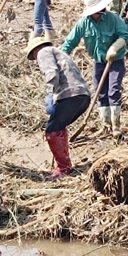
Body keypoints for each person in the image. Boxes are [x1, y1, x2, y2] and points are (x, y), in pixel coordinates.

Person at [62, 0, 128, 136]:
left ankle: (116, 126)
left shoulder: (113, 18)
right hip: (99, 61)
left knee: (113, 90)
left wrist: (114, 48)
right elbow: (70, 42)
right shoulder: (84, 23)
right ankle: (105, 125)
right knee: (100, 92)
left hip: (115, 61)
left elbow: (125, 35)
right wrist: (62, 57)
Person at [27, 35, 91, 177]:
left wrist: (50, 93)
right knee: (59, 126)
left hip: (69, 95)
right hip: (83, 95)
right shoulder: (60, 53)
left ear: (35, 51)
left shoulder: (44, 52)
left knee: (52, 130)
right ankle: (64, 164)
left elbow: (51, 73)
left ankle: (63, 167)